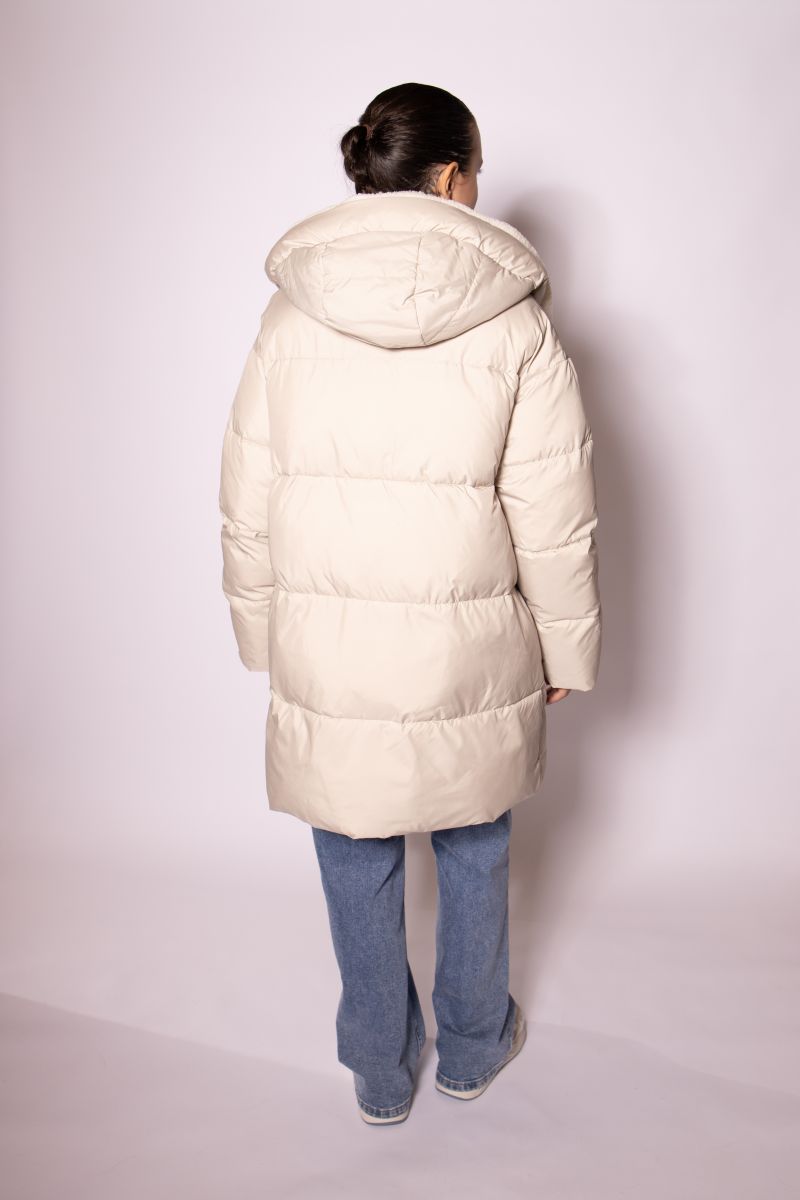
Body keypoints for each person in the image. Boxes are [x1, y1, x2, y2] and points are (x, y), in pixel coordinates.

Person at [218, 81, 602, 1126]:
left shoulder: (288, 315)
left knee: (353, 844)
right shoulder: (515, 323)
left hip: (329, 643)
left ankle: (381, 1071)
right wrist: (563, 647)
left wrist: (261, 629)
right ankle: (473, 1046)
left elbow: (246, 492)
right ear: (450, 176)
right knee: (474, 838)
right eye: (474, 171)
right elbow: (554, 507)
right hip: (467, 646)